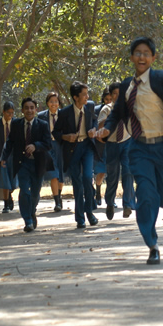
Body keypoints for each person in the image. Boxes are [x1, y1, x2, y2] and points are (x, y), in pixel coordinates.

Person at [97, 37, 163, 265]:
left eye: (146, 53)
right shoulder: (126, 86)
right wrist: (107, 129)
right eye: (137, 53)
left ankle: (161, 199)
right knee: (145, 195)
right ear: (132, 57)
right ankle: (152, 245)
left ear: (153, 57)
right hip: (138, 146)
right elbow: (117, 113)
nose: (141, 57)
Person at [0, 97, 51, 232]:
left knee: (35, 193)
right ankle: (28, 221)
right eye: (26, 108)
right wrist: (4, 157)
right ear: (22, 110)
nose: (29, 110)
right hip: (22, 163)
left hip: (38, 163)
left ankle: (32, 210)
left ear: (36, 110)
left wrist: (36, 146)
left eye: (32, 108)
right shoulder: (16, 124)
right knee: (24, 191)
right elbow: (10, 142)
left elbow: (48, 144)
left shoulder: (43, 125)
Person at [53, 81, 99, 229]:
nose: (87, 97)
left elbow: (95, 121)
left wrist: (94, 130)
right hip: (72, 149)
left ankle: (89, 212)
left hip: (87, 147)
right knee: (77, 183)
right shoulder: (64, 113)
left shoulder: (90, 106)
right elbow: (56, 132)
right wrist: (66, 137)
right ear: (75, 97)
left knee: (87, 178)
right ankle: (80, 219)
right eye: (84, 94)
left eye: (87, 94)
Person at [97, 82, 135, 220]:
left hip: (127, 142)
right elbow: (100, 128)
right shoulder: (106, 109)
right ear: (111, 95)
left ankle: (127, 205)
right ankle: (110, 202)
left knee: (128, 172)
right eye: (114, 94)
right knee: (112, 176)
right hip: (112, 144)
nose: (117, 96)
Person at [38, 92, 65, 212]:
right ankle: (57, 201)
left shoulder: (64, 115)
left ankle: (59, 195)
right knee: (53, 174)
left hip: (61, 146)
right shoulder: (41, 116)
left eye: (56, 101)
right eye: (51, 101)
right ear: (47, 103)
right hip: (48, 147)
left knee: (60, 175)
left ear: (59, 103)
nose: (54, 104)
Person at [93, 88, 112, 206]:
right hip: (99, 146)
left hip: (112, 145)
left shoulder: (116, 109)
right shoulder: (97, 110)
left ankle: (110, 198)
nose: (109, 101)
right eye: (106, 99)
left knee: (111, 173)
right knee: (100, 172)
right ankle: (98, 193)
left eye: (111, 99)